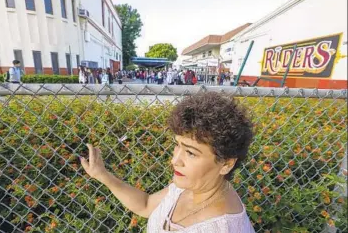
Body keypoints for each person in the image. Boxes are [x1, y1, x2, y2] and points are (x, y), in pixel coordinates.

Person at [80, 92, 255, 233]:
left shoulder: (222, 228)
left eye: (190, 153)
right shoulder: (188, 186)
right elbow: (146, 204)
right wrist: (103, 176)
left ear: (226, 164)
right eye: (177, 145)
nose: (174, 160)